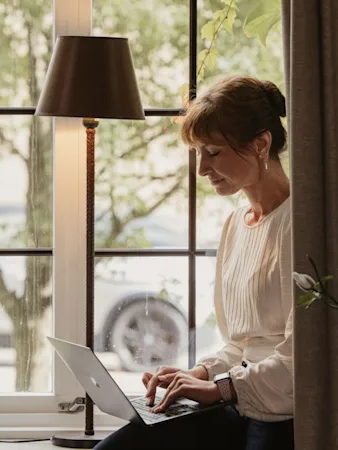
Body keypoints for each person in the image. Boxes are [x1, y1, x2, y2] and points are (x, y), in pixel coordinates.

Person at [94, 75, 294, 450]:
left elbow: (302, 358)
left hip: (279, 414)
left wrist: (219, 388)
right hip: (237, 401)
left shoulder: (301, 225)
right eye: (199, 153)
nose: (202, 169)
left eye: (214, 152)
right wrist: (197, 374)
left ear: (261, 143)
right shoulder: (237, 223)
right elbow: (239, 346)